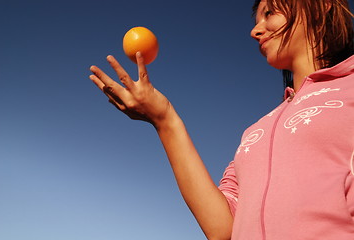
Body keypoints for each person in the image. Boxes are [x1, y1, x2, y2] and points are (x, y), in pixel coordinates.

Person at [89, 0, 354, 239]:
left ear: (322, 5)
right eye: (256, 21)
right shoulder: (254, 133)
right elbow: (223, 228)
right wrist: (164, 120)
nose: (255, 30)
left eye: (269, 13)